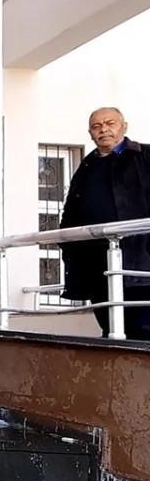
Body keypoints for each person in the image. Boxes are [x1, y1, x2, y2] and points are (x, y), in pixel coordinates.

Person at [60, 107, 150, 339]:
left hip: (141, 265)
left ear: (124, 126)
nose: (103, 129)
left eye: (110, 123)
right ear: (90, 133)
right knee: (111, 332)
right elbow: (70, 214)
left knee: (142, 332)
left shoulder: (145, 157)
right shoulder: (86, 167)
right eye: (97, 126)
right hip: (97, 268)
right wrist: (68, 247)